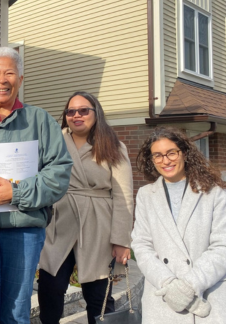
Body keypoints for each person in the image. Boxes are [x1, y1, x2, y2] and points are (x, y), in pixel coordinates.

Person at [0, 47, 73, 324]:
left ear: (20, 79)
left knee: (16, 313)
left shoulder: (40, 120)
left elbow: (59, 172)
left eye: (10, 73)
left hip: (23, 231)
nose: (2, 79)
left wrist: (17, 192)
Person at [37, 92, 134, 324]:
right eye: (71, 111)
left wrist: (121, 240)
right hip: (60, 221)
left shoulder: (113, 145)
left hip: (98, 224)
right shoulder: (53, 141)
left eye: (83, 110)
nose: (76, 115)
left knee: (99, 295)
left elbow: (123, 196)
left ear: (95, 112)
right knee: (50, 287)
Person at [132, 127, 226, 324]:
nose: (165, 161)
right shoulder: (145, 195)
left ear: (184, 153)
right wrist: (170, 285)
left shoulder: (214, 193)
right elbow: (141, 246)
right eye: (157, 155)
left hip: (211, 297)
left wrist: (188, 286)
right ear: (151, 160)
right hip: (164, 298)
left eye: (171, 153)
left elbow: (224, 247)